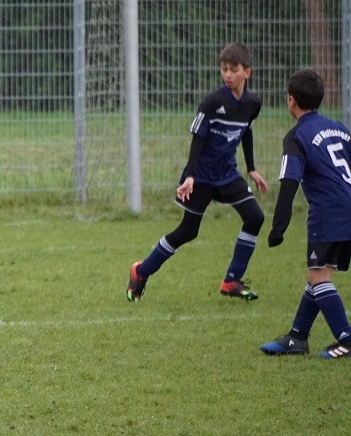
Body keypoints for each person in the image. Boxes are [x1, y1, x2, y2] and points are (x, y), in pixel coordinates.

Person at [126, 43, 268, 302]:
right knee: (188, 231)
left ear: (247, 72)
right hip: (201, 176)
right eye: (223, 69)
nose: (227, 74)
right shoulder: (212, 102)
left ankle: (231, 280)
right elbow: (198, 138)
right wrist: (190, 176)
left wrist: (252, 168)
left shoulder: (253, 103)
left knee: (255, 217)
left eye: (233, 69)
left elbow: (246, 131)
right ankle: (141, 271)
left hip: (228, 174)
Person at [260, 69, 351, 358]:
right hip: (347, 206)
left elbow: (289, 182)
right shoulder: (339, 128)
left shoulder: (297, 136)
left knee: (319, 276)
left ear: (291, 100)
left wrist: (279, 226)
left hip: (328, 212)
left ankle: (347, 339)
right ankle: (297, 336)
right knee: (318, 272)